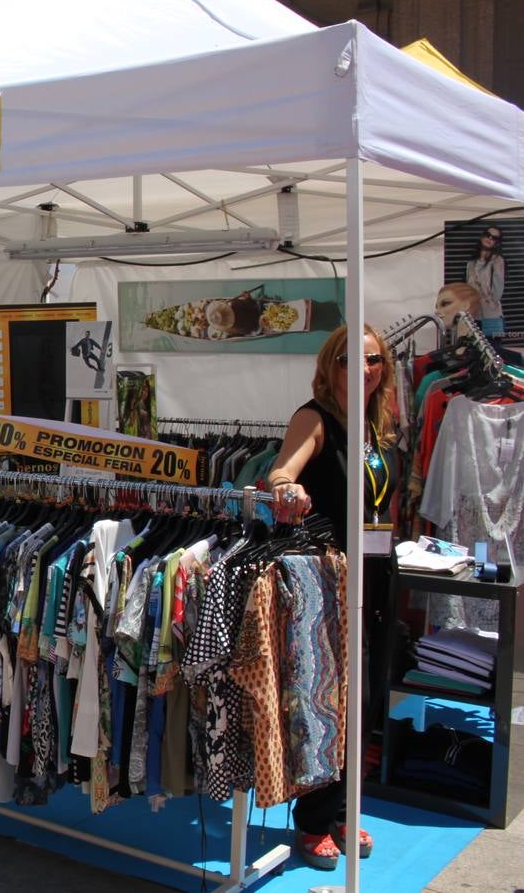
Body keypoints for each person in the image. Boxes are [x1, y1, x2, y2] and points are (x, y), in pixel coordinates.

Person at [265, 324, 398, 871]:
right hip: (327, 581)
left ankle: (343, 807)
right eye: (350, 359)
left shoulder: (376, 426)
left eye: (373, 360)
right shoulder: (315, 417)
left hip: (374, 573)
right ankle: (314, 820)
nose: (363, 369)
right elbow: (282, 469)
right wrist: (286, 487)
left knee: (362, 699)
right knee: (322, 701)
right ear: (331, 364)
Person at [465, 225, 506, 335]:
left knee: (493, 350)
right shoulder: (471, 263)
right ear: (482, 237)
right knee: (474, 350)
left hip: (490, 315)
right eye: (488, 235)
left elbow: (497, 294)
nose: (490, 239)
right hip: (473, 315)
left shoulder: (497, 261)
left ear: (497, 243)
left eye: (494, 238)